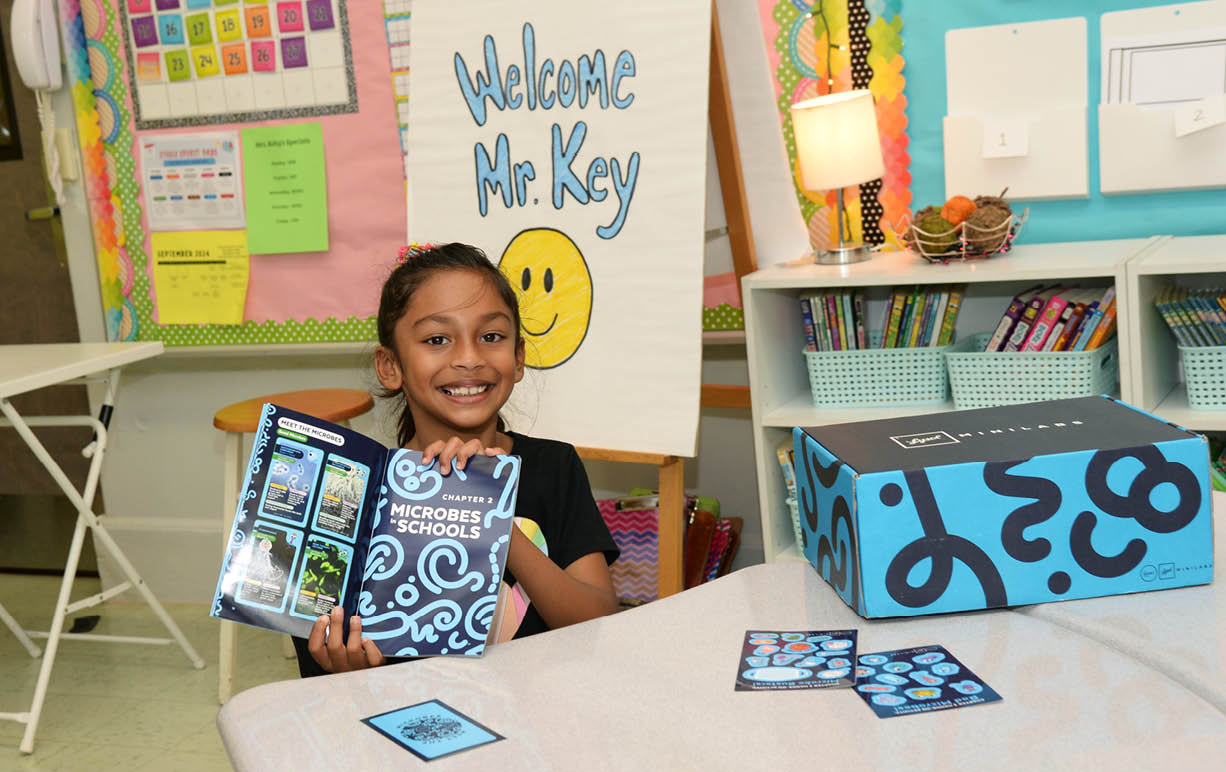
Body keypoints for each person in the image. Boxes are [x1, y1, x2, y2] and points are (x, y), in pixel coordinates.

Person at [294, 242, 620, 676]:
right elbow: (322, 663)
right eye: (437, 339)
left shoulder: (553, 466)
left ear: (518, 357)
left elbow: (598, 623)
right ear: (390, 366)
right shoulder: (353, 492)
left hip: (543, 710)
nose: (469, 358)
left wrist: (492, 513)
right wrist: (344, 668)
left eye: (491, 337)